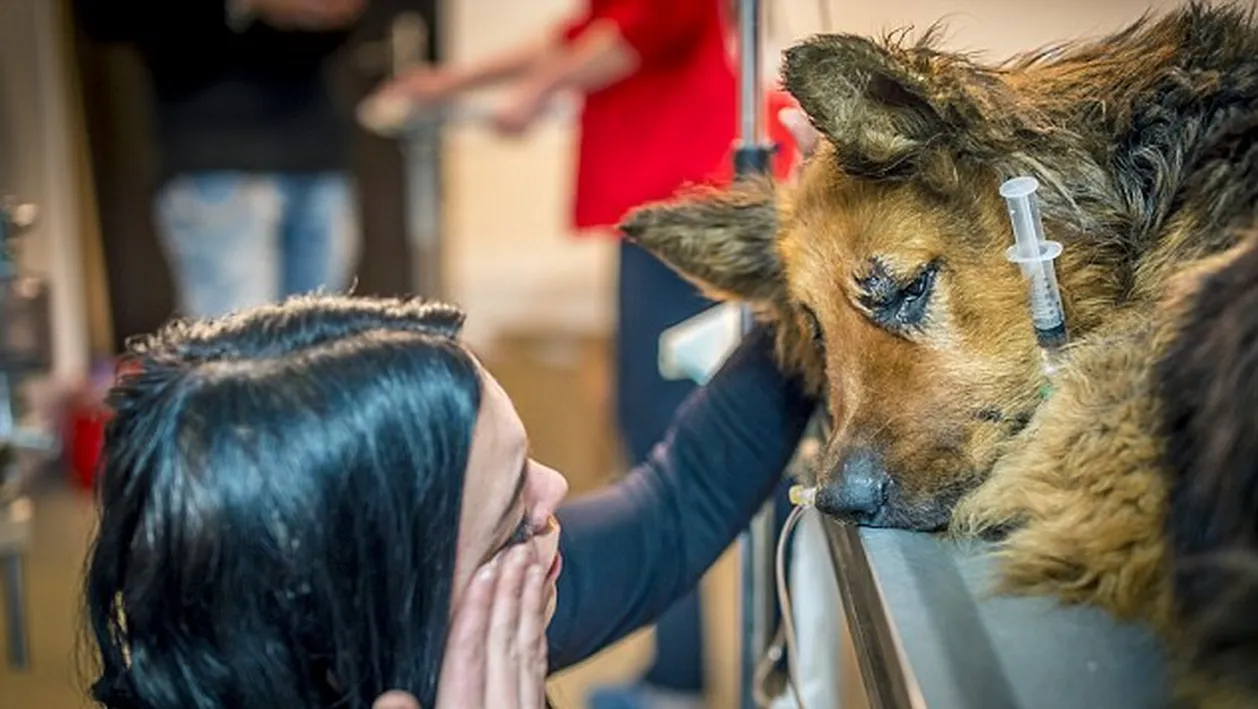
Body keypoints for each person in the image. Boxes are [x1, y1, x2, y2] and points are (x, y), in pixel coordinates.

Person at [83, 293, 816, 709]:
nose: (556, 487)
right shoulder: (459, 619)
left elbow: (673, 507)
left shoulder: (459, 608)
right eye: (507, 512)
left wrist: (820, 279)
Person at [366, 4, 738, 705]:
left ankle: (679, 676)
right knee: (644, 421)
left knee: (663, 427)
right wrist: (456, 81)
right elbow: (580, 38)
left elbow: (634, 33)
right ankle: (677, 667)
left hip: (687, 203)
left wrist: (534, 93)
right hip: (660, 212)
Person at [73, 0, 365, 318]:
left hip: (313, 148)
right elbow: (102, 18)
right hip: (214, 150)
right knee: (236, 350)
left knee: (323, 346)